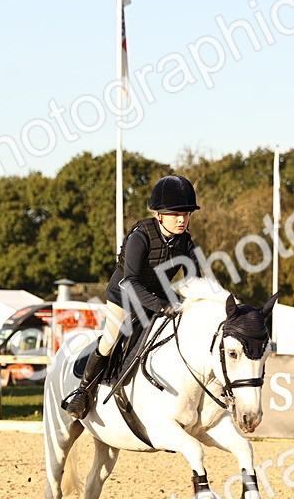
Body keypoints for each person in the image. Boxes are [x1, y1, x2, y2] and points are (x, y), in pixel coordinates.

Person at [61, 174, 203, 420]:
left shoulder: (186, 242)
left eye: (186, 214)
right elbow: (130, 282)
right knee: (111, 339)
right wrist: (161, 305)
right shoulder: (140, 237)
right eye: (175, 214)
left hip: (157, 297)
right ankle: (83, 392)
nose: (182, 220)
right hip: (124, 296)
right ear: (158, 214)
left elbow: (196, 280)